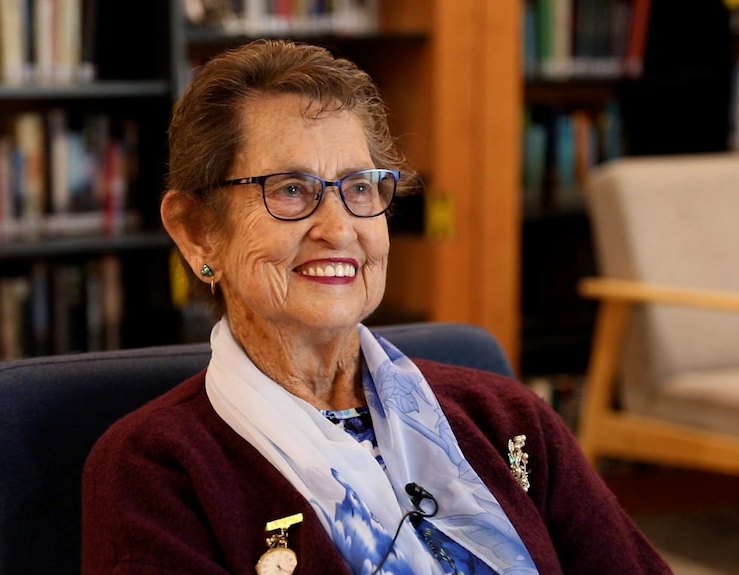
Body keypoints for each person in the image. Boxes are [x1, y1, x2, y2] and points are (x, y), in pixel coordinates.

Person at [81, 39, 672, 575]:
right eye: (291, 190)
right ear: (197, 233)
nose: (340, 229)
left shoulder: (508, 420)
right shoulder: (156, 470)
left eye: (360, 187)